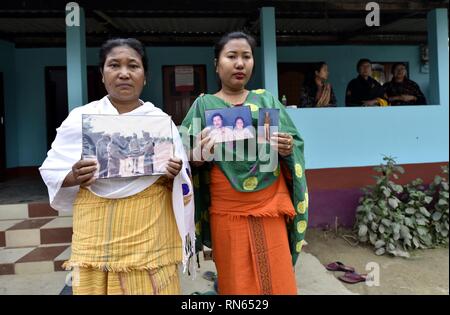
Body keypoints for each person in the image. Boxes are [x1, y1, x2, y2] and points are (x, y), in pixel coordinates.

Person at [39, 38, 195, 295]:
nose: (124, 73)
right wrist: (73, 175)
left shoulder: (161, 123)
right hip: (96, 234)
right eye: (114, 65)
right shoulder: (80, 119)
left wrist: (174, 174)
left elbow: (182, 181)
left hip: (150, 236)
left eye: (133, 66)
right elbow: (51, 171)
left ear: (145, 76)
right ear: (102, 74)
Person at [181, 31, 308, 295]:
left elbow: (294, 142)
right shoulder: (203, 106)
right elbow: (182, 156)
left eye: (246, 57)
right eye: (232, 56)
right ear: (217, 64)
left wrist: (287, 148)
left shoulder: (266, 100)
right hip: (227, 209)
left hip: (270, 203)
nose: (240, 63)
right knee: (235, 279)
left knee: (278, 275)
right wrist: (197, 156)